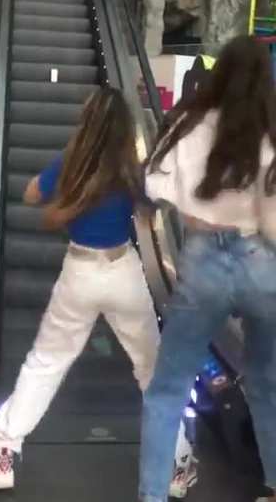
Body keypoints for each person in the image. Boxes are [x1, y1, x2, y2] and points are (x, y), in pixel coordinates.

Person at [0, 87, 193, 494]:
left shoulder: (71, 162)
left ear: (87, 121)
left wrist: (68, 182)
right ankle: (177, 462)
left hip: (79, 272)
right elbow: (150, 216)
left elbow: (29, 194)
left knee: (46, 362)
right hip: (123, 272)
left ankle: (2, 450)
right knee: (152, 369)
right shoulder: (130, 167)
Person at [139, 35, 276, 502]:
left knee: (168, 389)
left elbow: (152, 187)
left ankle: (154, 495)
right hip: (262, 262)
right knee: (266, 383)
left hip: (202, 259)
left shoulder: (186, 123)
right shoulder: (271, 129)